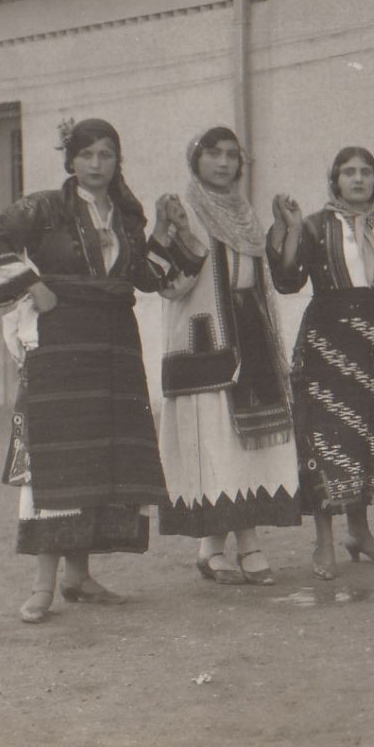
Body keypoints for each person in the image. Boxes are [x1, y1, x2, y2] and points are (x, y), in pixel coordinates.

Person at [0, 117, 170, 624]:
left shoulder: (126, 213)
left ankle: (79, 578)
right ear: (71, 160)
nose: (97, 165)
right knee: (60, 457)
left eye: (107, 155)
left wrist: (169, 234)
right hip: (61, 339)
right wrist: (31, 284)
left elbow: (145, 274)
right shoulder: (44, 206)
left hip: (113, 341)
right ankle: (43, 586)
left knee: (100, 457)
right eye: (87, 156)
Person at [149, 127, 301, 584]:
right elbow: (167, 284)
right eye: (213, 154)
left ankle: (225, 547)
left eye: (232, 156)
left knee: (245, 449)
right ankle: (232, 546)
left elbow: (268, 275)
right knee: (216, 449)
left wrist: (287, 230)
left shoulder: (244, 214)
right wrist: (171, 231)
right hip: (207, 345)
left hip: (250, 336)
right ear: (195, 161)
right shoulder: (184, 211)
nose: (223, 163)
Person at [267, 147, 374, 579]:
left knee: (365, 438)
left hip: (372, 344)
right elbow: (288, 280)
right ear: (334, 181)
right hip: (328, 342)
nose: (358, 179)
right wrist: (293, 230)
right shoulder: (318, 226)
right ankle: (324, 543)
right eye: (348, 173)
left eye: (366, 173)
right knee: (327, 438)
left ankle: (360, 533)